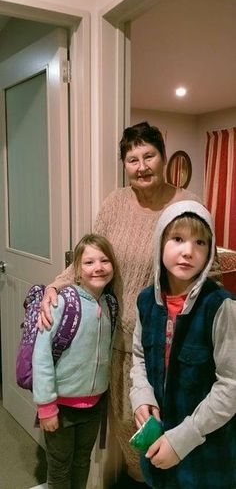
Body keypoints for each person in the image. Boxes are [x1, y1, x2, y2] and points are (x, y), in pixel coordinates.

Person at [38, 122, 201, 487]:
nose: (141, 166)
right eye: (132, 159)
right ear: (124, 164)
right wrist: (53, 286)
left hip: (163, 345)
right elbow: (90, 257)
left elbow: (197, 271)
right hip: (114, 340)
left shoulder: (186, 205)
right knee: (128, 433)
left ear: (162, 156)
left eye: (149, 156)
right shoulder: (115, 202)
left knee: (162, 428)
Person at [130, 200, 236, 489]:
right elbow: (139, 356)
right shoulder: (146, 300)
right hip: (157, 445)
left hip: (206, 454)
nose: (188, 251)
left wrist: (182, 440)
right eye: (177, 239)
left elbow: (231, 386)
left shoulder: (221, 307)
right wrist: (141, 395)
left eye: (200, 242)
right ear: (160, 243)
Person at [32, 233, 117, 489]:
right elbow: (42, 355)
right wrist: (46, 406)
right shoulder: (62, 302)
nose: (98, 267)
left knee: (82, 461)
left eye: (104, 260)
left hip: (93, 406)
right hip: (60, 406)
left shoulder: (110, 304)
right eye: (89, 262)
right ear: (77, 270)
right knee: (59, 467)